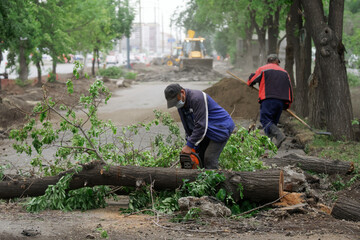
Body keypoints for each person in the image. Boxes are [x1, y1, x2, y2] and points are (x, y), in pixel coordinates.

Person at [164, 83, 235, 169]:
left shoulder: (197, 98)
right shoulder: (181, 106)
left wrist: (189, 145)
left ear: (182, 92)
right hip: (207, 129)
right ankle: (201, 180)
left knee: (209, 159)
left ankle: (216, 181)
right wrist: (190, 145)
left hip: (220, 127)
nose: (176, 104)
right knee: (199, 157)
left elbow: (201, 126)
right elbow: (188, 126)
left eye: (176, 100)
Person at [247, 54, 293, 148]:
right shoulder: (285, 73)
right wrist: (287, 104)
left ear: (268, 61)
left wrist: (251, 82)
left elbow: (251, 80)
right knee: (272, 122)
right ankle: (269, 143)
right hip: (281, 102)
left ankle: (279, 135)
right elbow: (290, 89)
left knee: (265, 120)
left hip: (268, 99)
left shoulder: (263, 69)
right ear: (277, 61)